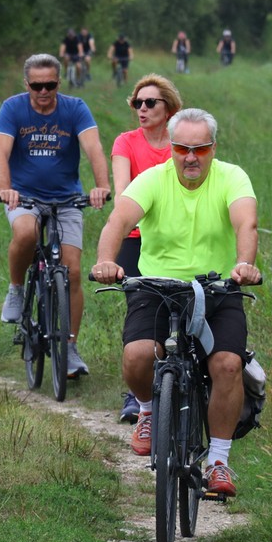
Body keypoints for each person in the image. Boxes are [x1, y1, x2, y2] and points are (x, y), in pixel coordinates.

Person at [91, 108, 261, 498]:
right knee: (137, 356)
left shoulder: (232, 177)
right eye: (182, 148)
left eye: (199, 150)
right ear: (172, 147)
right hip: (157, 287)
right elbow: (118, 222)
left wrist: (244, 264)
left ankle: (218, 460)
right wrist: (106, 261)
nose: (190, 157)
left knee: (228, 364)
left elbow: (245, 223)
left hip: (217, 288)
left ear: (212, 149)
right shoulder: (152, 179)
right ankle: (149, 410)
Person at [0, 53, 110, 377]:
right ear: (26, 84)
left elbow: (94, 148)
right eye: (36, 85)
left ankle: (70, 347)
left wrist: (101, 186)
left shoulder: (75, 108)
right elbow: (0, 153)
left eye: (50, 85)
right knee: (27, 234)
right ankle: (16, 289)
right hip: (24, 195)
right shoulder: (13, 108)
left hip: (67, 198)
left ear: (59, 83)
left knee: (72, 271)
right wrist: (6, 189)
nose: (43, 92)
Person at [109, 74, 183, 423]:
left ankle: (186, 378)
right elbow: (123, 189)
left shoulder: (182, 143)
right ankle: (136, 391)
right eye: (137, 103)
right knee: (142, 307)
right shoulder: (125, 142)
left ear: (168, 107)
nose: (141, 108)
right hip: (136, 237)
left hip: (178, 237)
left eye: (150, 102)